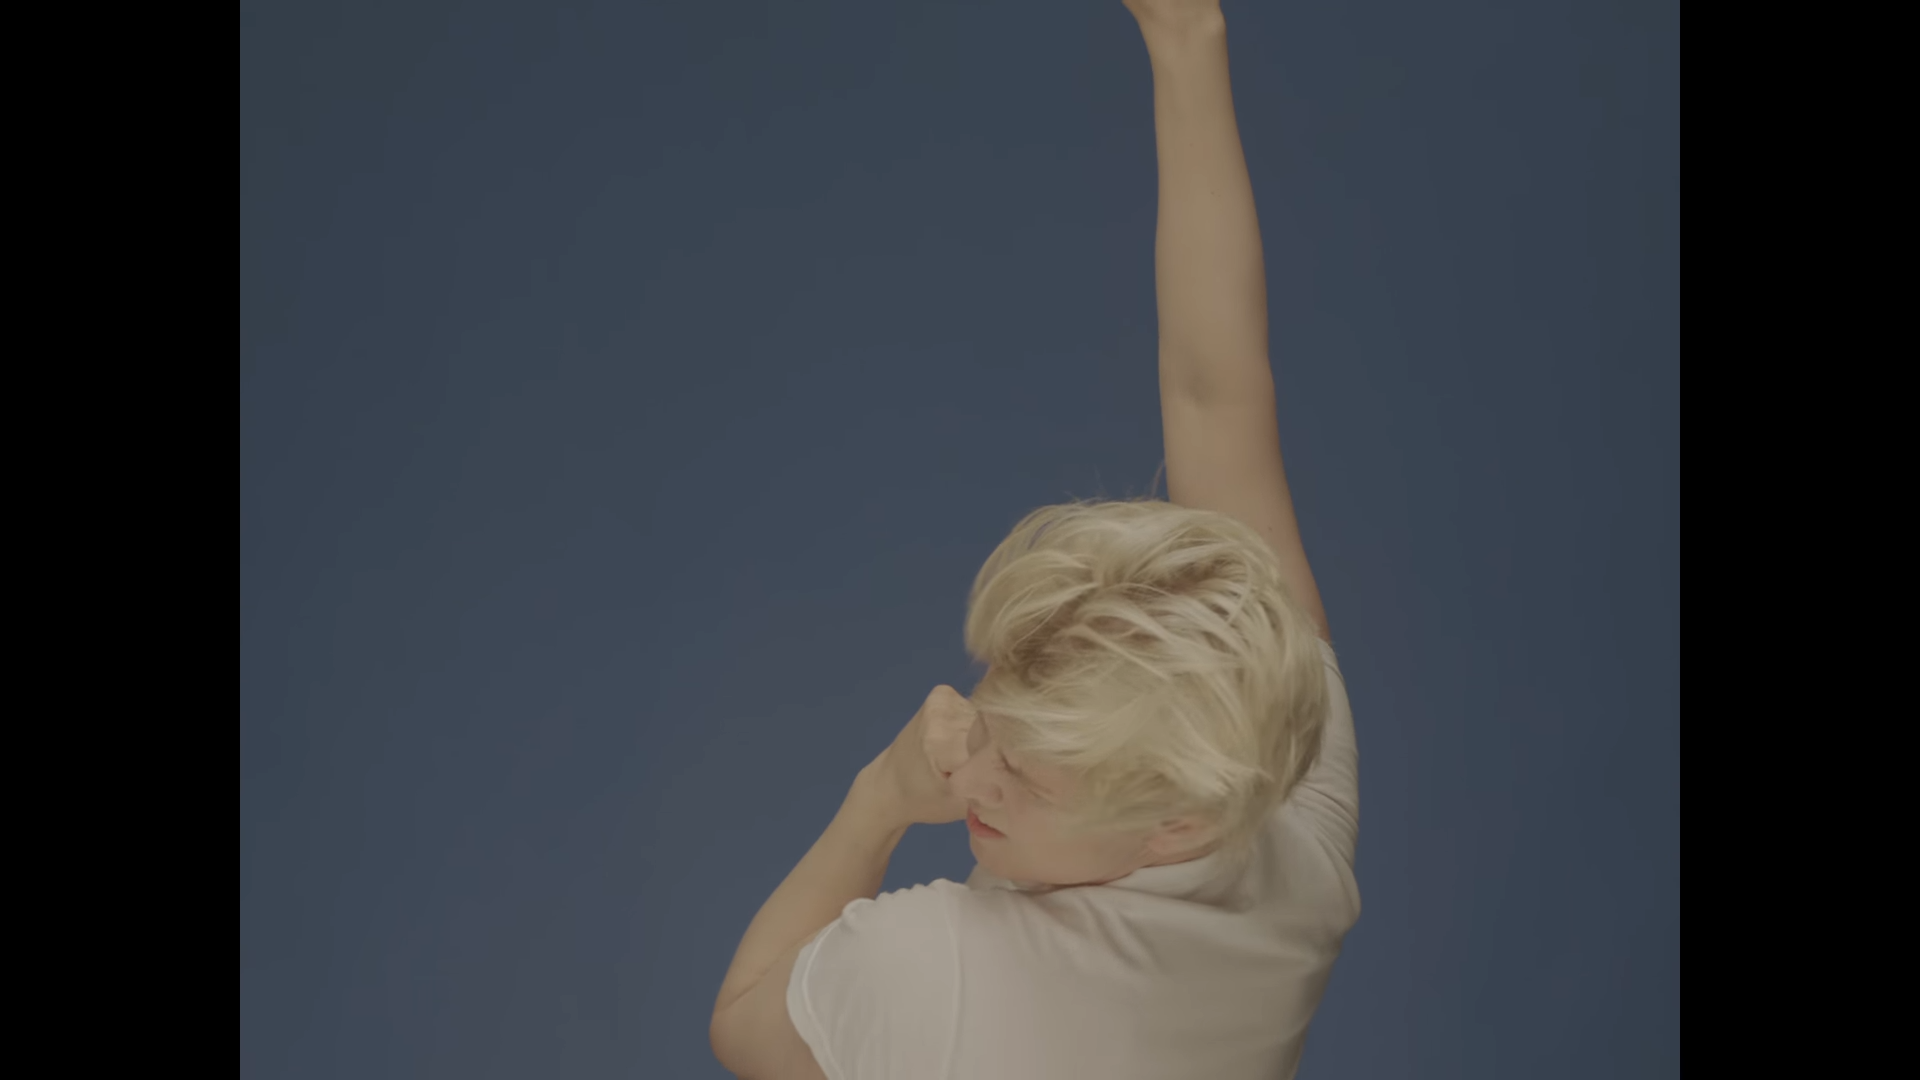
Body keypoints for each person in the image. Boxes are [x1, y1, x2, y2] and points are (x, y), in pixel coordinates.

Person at [711, 2, 1359, 1076]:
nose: (969, 773)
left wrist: (880, 800)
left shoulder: (939, 974)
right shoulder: (1286, 791)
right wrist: (1185, 37)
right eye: (997, 717)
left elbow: (744, 1025)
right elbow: (1216, 395)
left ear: (1177, 827)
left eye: (1028, 776)